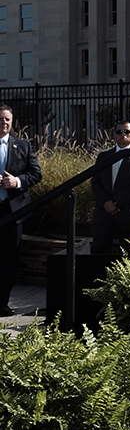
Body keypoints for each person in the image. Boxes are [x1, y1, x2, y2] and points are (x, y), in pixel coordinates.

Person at [0, 104, 42, 316]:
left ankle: (2, 303)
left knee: (9, 258)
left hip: (13, 211)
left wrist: (16, 181)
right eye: (0, 119)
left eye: (7, 119)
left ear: (12, 121)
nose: (4, 123)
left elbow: (36, 174)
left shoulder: (23, 146)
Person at [90, 120, 130, 255]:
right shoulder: (104, 156)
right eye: (119, 132)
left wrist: (116, 202)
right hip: (104, 213)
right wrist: (106, 202)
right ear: (114, 135)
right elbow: (95, 181)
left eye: (127, 132)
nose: (123, 134)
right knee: (98, 251)